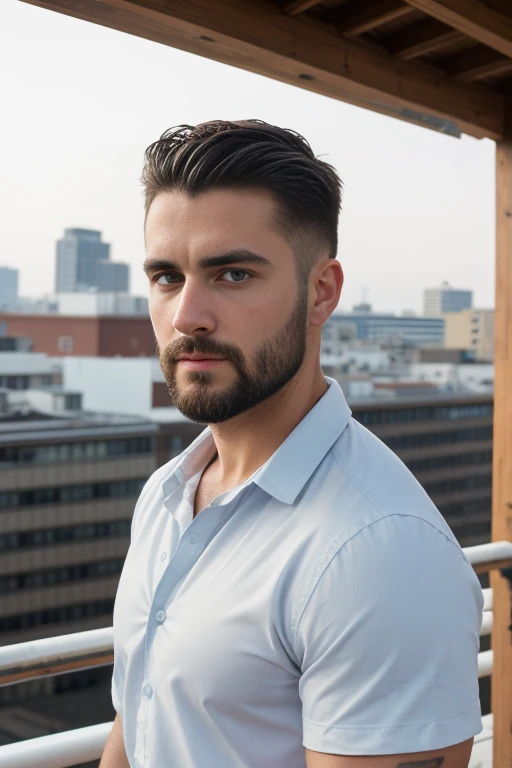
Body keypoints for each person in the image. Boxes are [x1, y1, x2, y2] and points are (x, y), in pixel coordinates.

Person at [100, 120, 483, 768]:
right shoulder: (167, 494)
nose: (188, 314)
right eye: (167, 277)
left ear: (321, 291)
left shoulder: (376, 554)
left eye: (233, 275)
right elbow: (138, 725)